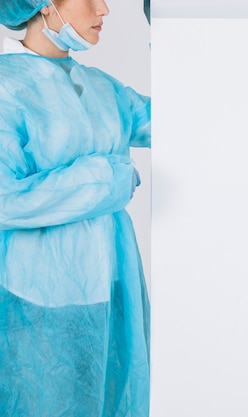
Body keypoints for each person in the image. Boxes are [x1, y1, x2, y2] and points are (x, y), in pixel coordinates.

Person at [0, 0, 150, 416]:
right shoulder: (5, 86)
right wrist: (106, 177)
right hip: (40, 302)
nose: (103, 9)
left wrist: (169, 31)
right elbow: (5, 199)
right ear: (45, 5)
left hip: (117, 289)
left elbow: (180, 120)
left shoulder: (104, 87)